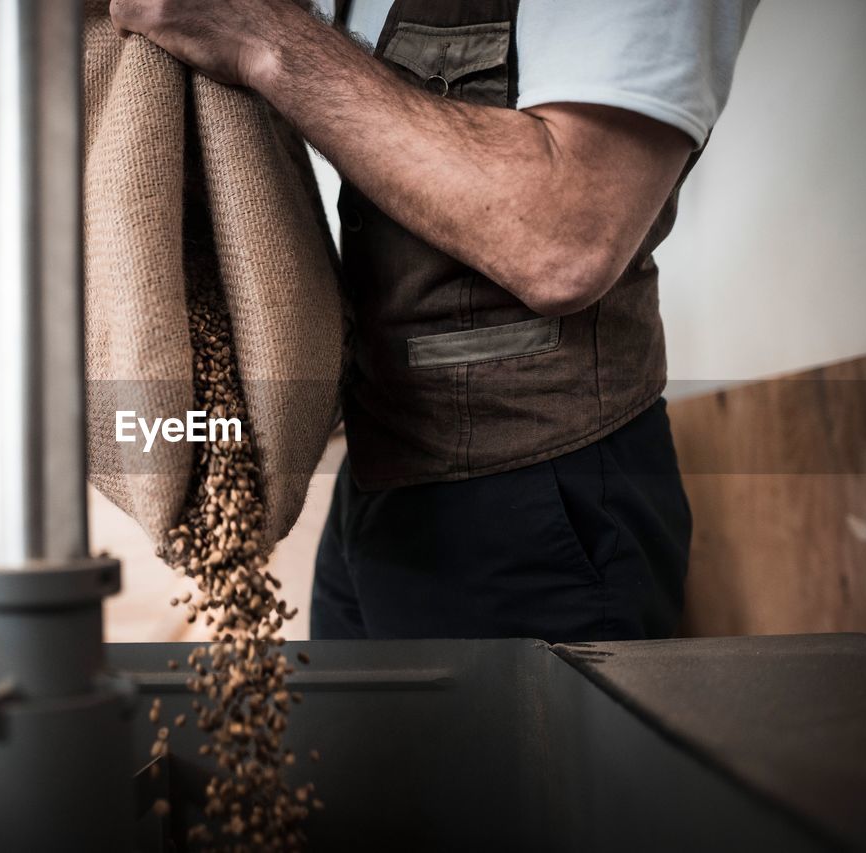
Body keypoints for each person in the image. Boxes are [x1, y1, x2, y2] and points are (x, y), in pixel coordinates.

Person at [111, 0, 759, 642]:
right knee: (365, 747)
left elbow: (564, 241)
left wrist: (265, 34)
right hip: (374, 481)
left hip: (539, 497)